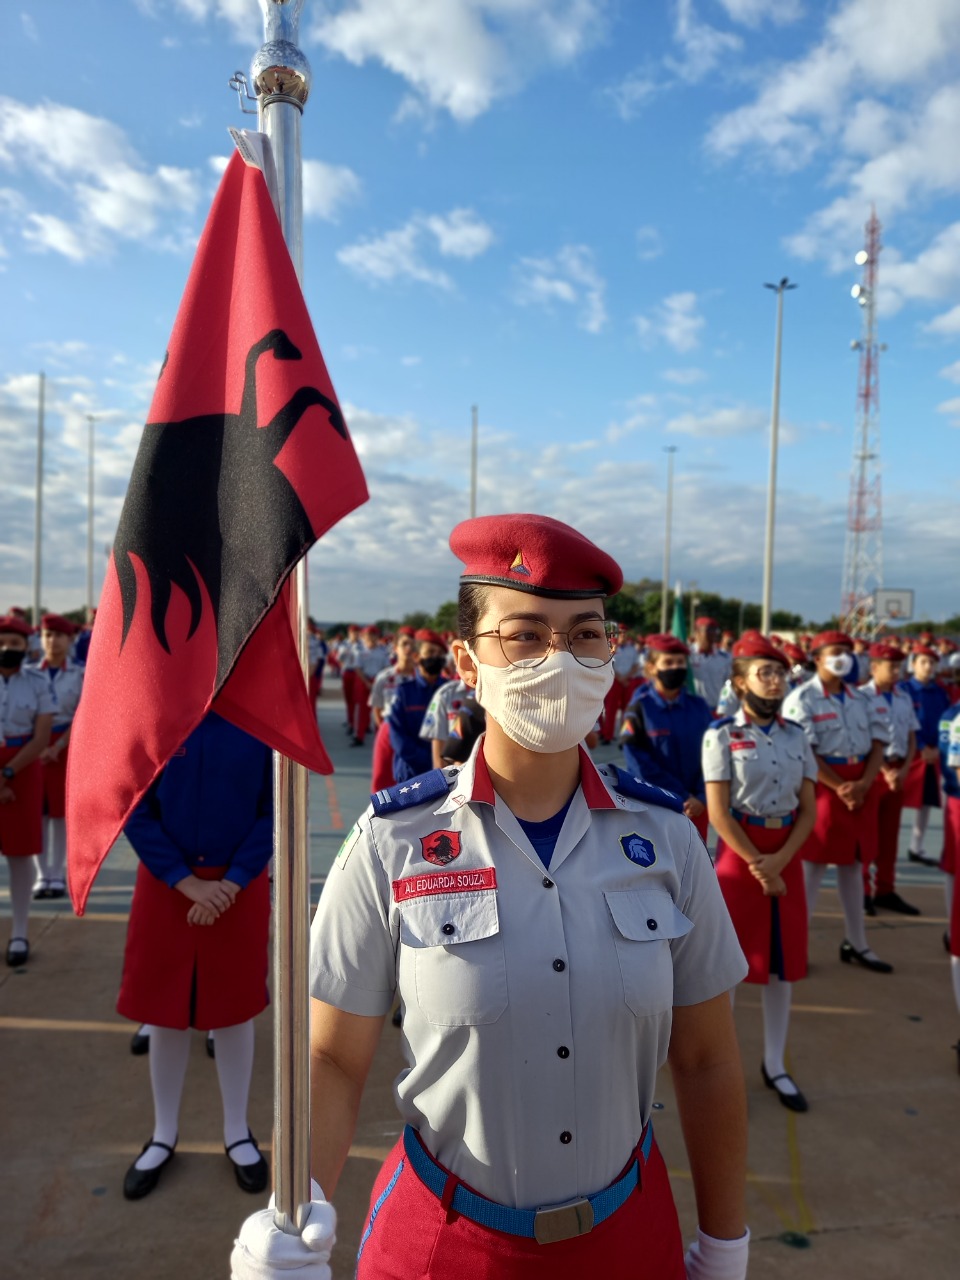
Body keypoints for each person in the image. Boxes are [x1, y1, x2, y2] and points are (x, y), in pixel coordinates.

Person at [232, 514, 751, 1280]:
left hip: (627, 1239)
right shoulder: (392, 842)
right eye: (526, 636)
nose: (560, 659)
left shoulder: (668, 840)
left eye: (584, 634)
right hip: (446, 1244)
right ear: (467, 662)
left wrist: (724, 1245)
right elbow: (331, 1059)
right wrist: (298, 1204)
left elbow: (706, 1060)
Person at [117, 712, 273, 1199]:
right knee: (163, 1012)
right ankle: (164, 1134)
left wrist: (230, 883)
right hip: (168, 886)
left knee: (233, 1010)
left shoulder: (260, 725)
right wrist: (186, 883)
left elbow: (273, 812)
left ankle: (236, 1131)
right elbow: (135, 808)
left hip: (237, 886)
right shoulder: (157, 723)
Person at [702, 634, 817, 1112]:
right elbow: (718, 812)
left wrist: (780, 861)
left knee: (782, 969)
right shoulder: (721, 736)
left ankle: (775, 1064)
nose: (774, 680)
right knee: (729, 970)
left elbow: (808, 809)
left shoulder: (797, 735)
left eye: (780, 673)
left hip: (785, 853)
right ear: (740, 681)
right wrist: (757, 864)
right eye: (764, 672)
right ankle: (720, 1069)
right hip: (739, 856)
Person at [782, 631, 893, 973]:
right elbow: (805, 750)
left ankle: (857, 943)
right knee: (812, 870)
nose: (843, 657)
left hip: (861, 787)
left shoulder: (862, 698)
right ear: (817, 658)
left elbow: (878, 742)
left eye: (848, 651)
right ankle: (795, 947)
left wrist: (862, 783)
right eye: (835, 652)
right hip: (824, 788)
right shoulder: (802, 698)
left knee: (854, 865)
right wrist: (841, 786)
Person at [620, 634, 713, 842]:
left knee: (696, 868)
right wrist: (678, 795)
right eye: (668, 662)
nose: (675, 667)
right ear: (652, 667)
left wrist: (701, 796)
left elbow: (714, 754)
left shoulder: (699, 707)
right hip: (657, 806)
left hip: (697, 808)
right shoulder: (640, 708)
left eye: (680, 662)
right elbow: (637, 761)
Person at [0, 614, 54, 966]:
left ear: (26, 647)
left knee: (20, 854)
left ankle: (19, 931)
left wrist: (7, 774)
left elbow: (41, 737)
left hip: (22, 767)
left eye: (15, 644)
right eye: (3, 642)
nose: (7, 649)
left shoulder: (37, 681)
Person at [860, 642, 920, 916]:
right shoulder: (861, 697)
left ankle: (885, 888)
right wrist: (884, 770)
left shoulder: (903, 696)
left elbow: (910, 735)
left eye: (899, 666)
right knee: (867, 835)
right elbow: (865, 741)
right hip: (873, 773)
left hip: (898, 769)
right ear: (874, 667)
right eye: (890, 666)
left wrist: (905, 768)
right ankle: (862, 892)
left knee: (890, 835)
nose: (896, 671)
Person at [28, 614, 85, 900]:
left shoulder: (79, 673)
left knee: (61, 815)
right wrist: (39, 747)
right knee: (38, 811)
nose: (52, 641)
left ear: (70, 639)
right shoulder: (28, 672)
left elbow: (81, 714)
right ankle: (41, 875)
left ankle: (57, 874)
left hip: (65, 747)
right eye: (47, 635)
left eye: (59, 636)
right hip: (33, 748)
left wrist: (58, 746)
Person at [899, 646, 951, 866]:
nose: (928, 667)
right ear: (913, 665)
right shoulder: (904, 689)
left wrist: (938, 747)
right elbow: (904, 720)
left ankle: (916, 846)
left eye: (932, 662)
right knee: (897, 799)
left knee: (926, 801)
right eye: (923, 662)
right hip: (909, 752)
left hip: (933, 752)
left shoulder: (939, 692)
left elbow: (947, 722)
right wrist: (920, 746)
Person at [384, 629, 448, 783]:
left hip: (446, 773)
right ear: (416, 656)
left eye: (439, 653)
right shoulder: (403, 693)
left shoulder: (449, 691)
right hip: (411, 775)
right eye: (430, 652)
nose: (435, 657)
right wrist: (429, 760)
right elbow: (398, 738)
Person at [368, 630, 417, 792]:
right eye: (404, 644)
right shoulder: (384, 677)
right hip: (389, 730)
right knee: (382, 777)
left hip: (414, 732)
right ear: (395, 648)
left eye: (412, 644)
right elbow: (377, 707)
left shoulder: (421, 678)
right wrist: (387, 731)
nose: (409, 648)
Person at [599, 625, 640, 743]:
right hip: (614, 680)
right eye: (621, 633)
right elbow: (608, 664)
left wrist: (626, 677)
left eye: (624, 633)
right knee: (611, 709)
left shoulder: (632, 649)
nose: (623, 636)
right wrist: (619, 677)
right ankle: (608, 735)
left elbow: (635, 665)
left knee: (628, 709)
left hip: (628, 681)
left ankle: (626, 734)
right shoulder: (611, 647)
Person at [351, 625, 390, 747]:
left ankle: (380, 736)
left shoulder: (383, 651)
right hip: (364, 681)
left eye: (373, 635)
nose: (371, 638)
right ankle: (360, 736)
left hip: (379, 681)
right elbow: (358, 668)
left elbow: (386, 668)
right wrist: (367, 682)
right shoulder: (360, 651)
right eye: (368, 635)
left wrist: (378, 682)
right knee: (363, 710)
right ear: (364, 637)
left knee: (379, 710)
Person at [689, 616, 731, 711]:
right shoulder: (688, 656)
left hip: (715, 709)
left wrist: (723, 704)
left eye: (714, 630)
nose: (712, 633)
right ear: (697, 632)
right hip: (692, 709)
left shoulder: (725, 658)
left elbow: (728, 684)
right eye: (708, 630)